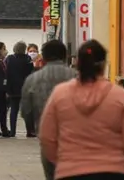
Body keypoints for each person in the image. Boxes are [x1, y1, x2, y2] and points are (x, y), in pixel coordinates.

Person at [39, 40, 124, 180]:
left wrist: (62, 160)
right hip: (112, 171)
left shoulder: (59, 94)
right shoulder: (119, 96)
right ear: (103, 64)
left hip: (70, 172)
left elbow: (47, 137)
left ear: (77, 63)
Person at [21, 40, 76, 180]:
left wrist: (33, 127)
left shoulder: (32, 80)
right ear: (65, 55)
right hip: (74, 136)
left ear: (43, 57)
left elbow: (26, 111)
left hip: (46, 136)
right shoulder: (76, 77)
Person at [4, 41, 35, 137]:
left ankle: (12, 131)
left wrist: (6, 88)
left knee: (14, 110)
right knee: (26, 110)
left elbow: (6, 73)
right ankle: (30, 131)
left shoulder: (10, 58)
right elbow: (31, 72)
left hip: (13, 88)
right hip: (25, 87)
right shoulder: (28, 59)